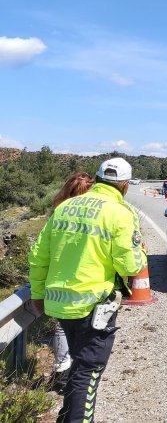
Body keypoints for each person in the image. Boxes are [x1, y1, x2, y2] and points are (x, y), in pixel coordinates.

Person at [28, 157, 148, 423]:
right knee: (88, 372)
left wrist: (37, 295)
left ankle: (65, 416)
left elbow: (39, 256)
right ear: (125, 185)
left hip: (60, 305)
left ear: (97, 178)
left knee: (79, 367)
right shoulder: (120, 213)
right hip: (94, 308)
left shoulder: (65, 208)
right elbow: (128, 263)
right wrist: (141, 253)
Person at [48, 173, 96, 387]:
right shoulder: (95, 216)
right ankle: (78, 375)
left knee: (61, 327)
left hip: (58, 285)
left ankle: (62, 370)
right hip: (88, 287)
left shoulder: (58, 215)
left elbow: (43, 253)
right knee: (87, 332)